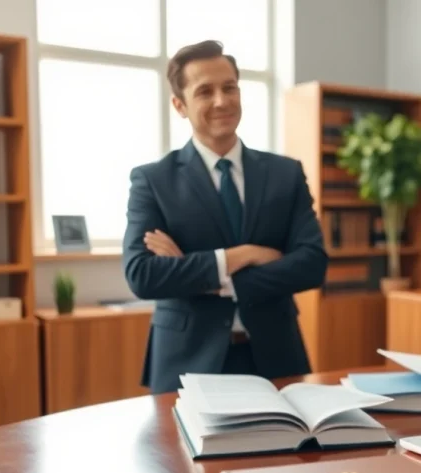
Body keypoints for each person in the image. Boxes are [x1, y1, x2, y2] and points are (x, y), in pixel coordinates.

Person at [121, 40, 328, 394]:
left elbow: (312, 264)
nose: (222, 101)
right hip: (187, 362)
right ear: (180, 105)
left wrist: (204, 275)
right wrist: (241, 256)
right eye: (205, 91)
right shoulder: (153, 180)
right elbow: (142, 275)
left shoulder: (285, 174)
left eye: (229, 87)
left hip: (276, 357)